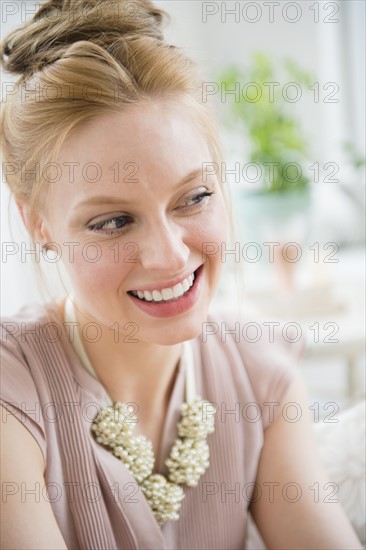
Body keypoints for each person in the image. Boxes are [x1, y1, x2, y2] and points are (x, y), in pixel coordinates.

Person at [0, 1, 362, 549]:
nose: (169, 257)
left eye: (194, 197)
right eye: (114, 221)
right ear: (38, 224)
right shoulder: (14, 394)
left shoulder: (262, 376)